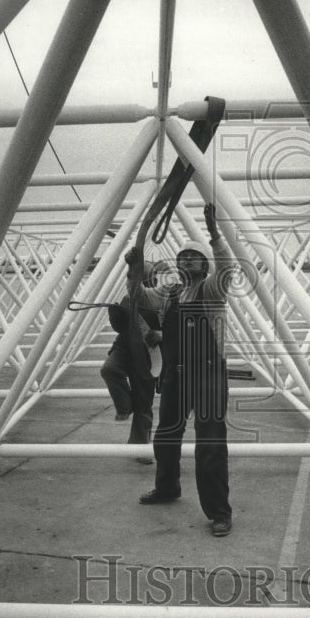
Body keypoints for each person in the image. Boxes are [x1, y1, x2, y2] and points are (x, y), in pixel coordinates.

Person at [125, 203, 235, 537]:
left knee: (210, 443)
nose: (186, 260)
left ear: (204, 265)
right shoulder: (171, 292)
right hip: (177, 372)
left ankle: (219, 512)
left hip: (208, 373)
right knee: (167, 434)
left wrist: (215, 235)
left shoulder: (212, 290)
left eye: (194, 257)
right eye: (183, 256)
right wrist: (132, 270)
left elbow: (228, 268)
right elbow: (137, 297)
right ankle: (167, 487)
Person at [100, 264, 163, 446]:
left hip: (148, 356)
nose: (146, 282)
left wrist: (162, 334)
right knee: (109, 369)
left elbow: (173, 328)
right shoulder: (128, 299)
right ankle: (125, 406)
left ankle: (139, 446)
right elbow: (119, 327)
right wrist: (114, 313)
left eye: (147, 278)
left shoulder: (160, 300)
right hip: (124, 348)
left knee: (144, 404)